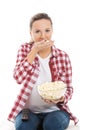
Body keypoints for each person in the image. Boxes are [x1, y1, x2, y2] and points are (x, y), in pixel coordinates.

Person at [8, 13, 78, 130]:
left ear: (52, 31)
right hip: (29, 111)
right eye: (37, 31)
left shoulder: (63, 56)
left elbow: (69, 89)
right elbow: (18, 78)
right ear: (31, 34)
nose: (43, 36)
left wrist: (61, 98)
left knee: (51, 126)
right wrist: (34, 50)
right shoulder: (25, 50)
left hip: (55, 110)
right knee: (23, 128)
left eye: (47, 30)